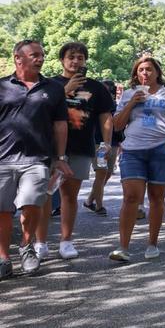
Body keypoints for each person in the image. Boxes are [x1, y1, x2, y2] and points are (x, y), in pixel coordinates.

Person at [36, 42, 114, 261]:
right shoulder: (49, 84)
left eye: (80, 57)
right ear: (62, 60)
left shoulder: (96, 87)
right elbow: (39, 108)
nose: (76, 61)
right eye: (71, 57)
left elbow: (105, 116)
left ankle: (66, 241)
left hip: (81, 147)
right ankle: (40, 243)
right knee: (44, 195)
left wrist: (106, 143)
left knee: (70, 196)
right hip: (49, 148)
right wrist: (65, 90)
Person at [0, 40, 71, 278]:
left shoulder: (52, 88)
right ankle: (3, 258)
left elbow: (60, 125)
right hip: (3, 159)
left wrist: (60, 157)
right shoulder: (1, 87)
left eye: (41, 54)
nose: (40, 58)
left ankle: (26, 246)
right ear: (18, 58)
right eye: (34, 55)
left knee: (31, 206)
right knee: (2, 211)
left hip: (37, 159)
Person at [110, 56, 165, 262]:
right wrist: (131, 104)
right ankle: (123, 247)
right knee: (131, 197)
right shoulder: (129, 94)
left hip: (162, 150)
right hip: (133, 150)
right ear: (136, 74)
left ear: (157, 72)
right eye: (141, 70)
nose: (145, 73)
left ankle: (152, 243)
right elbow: (117, 125)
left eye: (149, 70)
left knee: (156, 198)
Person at [84, 79, 123, 216]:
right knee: (101, 172)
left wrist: (119, 143)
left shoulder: (115, 104)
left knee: (107, 173)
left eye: (110, 90)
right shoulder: (93, 103)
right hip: (98, 143)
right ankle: (99, 206)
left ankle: (89, 200)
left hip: (112, 143)